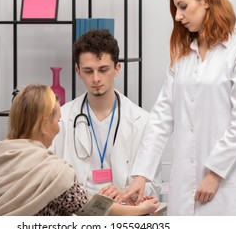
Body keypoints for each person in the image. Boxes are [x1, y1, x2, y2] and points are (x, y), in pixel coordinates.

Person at [123, 0, 236, 215]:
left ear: (206, 0)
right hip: (184, 185)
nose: (178, 16)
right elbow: (160, 120)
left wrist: (215, 173)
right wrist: (140, 176)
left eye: (183, 6)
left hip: (223, 186)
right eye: (176, 9)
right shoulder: (183, 58)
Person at [0, 84, 159, 216]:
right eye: (57, 121)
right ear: (43, 125)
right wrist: (141, 209)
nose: (59, 128)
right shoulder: (52, 171)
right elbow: (91, 211)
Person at [51, 29, 161, 200]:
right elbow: (49, 177)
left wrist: (126, 193)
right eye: (88, 71)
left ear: (117, 68)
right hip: (76, 214)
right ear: (78, 72)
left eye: (103, 69)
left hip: (123, 211)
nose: (96, 79)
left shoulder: (142, 121)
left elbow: (154, 186)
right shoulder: (62, 119)